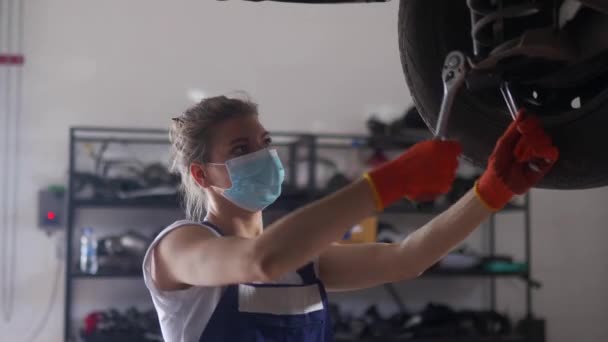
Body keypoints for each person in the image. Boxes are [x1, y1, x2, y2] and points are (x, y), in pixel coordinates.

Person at [142, 95, 559, 342]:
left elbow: (408, 258)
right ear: (201, 175)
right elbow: (261, 261)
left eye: (264, 142)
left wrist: (492, 190)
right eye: (240, 149)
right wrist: (391, 180)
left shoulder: (304, 263)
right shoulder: (178, 248)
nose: (262, 155)